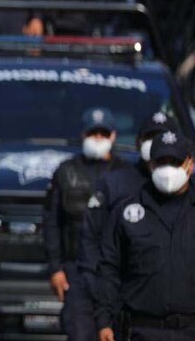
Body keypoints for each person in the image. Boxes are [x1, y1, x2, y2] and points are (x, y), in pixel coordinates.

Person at [77, 112, 180, 328]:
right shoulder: (117, 182)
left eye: (162, 137)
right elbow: (93, 239)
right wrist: (99, 292)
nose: (156, 144)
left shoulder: (183, 189)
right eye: (150, 137)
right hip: (118, 296)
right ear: (138, 142)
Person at [96, 130, 195, 341]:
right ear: (150, 165)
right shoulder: (127, 212)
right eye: (162, 162)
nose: (168, 169)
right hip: (143, 329)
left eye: (175, 162)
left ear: (190, 164)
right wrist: (104, 320)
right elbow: (108, 268)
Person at [42, 107, 131, 341]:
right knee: (80, 332)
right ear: (83, 135)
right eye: (93, 133)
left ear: (113, 136)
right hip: (77, 269)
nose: (98, 139)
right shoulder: (66, 171)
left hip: (117, 271)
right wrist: (55, 268)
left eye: (103, 134)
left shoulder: (127, 173)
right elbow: (52, 222)